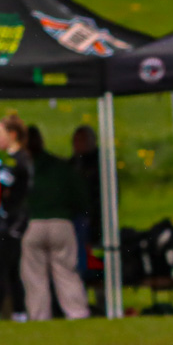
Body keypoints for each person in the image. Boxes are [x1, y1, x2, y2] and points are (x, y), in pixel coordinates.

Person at [19, 124, 91, 321]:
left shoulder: (22, 167)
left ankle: (39, 316)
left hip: (33, 224)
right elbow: (81, 197)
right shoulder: (61, 166)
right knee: (66, 272)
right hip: (62, 223)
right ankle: (77, 313)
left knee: (35, 276)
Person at [0, 113, 31, 321]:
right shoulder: (15, 160)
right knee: (12, 271)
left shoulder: (17, 161)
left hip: (12, 222)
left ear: (12, 134)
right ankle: (19, 314)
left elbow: (1, 188)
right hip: (13, 221)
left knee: (1, 270)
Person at [70, 125, 101, 297]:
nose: (78, 144)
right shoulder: (72, 163)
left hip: (91, 222)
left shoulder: (99, 164)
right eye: (76, 140)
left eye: (82, 140)